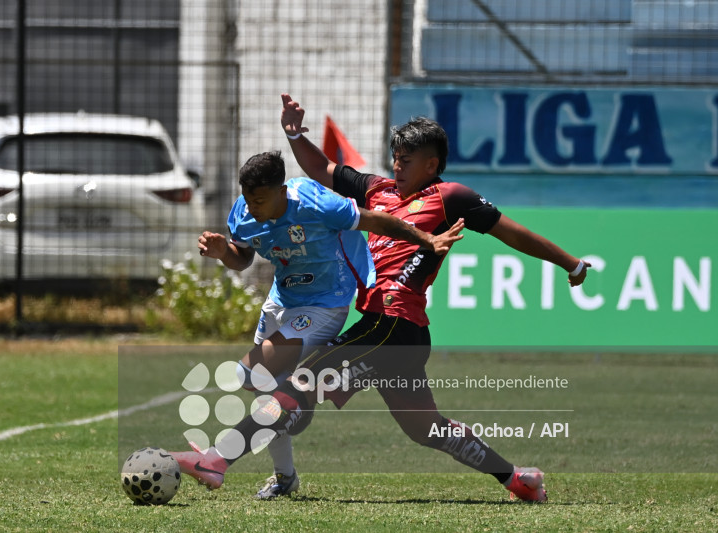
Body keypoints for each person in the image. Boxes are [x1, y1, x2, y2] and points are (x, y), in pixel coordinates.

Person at [173, 97, 590, 503]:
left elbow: (511, 231)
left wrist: (569, 263)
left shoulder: (451, 196)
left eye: (407, 160)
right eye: (395, 156)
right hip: (393, 332)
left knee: (300, 385)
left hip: (392, 324)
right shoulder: (378, 190)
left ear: (431, 163)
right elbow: (321, 168)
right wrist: (296, 134)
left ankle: (217, 460)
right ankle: (518, 479)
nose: (397, 165)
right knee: (426, 429)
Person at [193, 150, 464, 499]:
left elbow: (378, 221)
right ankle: (285, 476)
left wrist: (427, 240)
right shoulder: (244, 212)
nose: (252, 207)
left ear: (281, 191)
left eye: (259, 200)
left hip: (325, 304)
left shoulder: (317, 203)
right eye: (248, 199)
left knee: (251, 375)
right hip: (281, 301)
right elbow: (242, 257)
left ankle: (236, 449)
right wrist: (223, 253)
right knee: (269, 393)